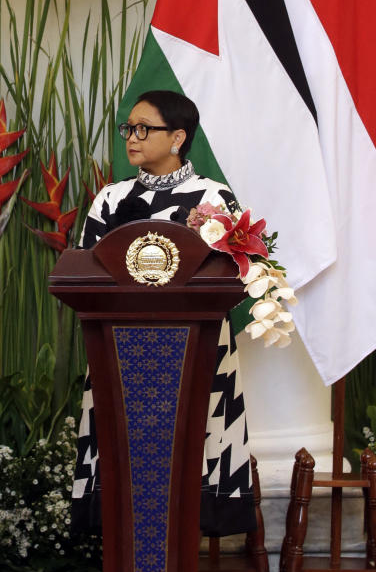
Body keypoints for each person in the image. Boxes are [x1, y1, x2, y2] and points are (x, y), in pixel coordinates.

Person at [71, 88, 255, 537]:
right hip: (120, 351)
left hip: (198, 353)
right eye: (128, 129)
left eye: (142, 129)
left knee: (192, 447)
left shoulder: (213, 198)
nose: (131, 138)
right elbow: (84, 271)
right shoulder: (110, 199)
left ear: (177, 138)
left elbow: (232, 275)